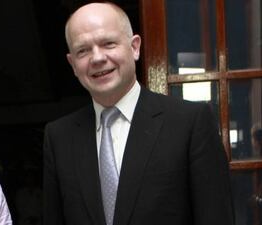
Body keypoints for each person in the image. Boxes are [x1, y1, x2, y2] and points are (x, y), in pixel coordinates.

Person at [43, 2, 234, 225]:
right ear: (73, 64)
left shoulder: (189, 123)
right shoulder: (59, 137)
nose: (97, 58)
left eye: (108, 44)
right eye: (83, 50)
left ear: (134, 47)